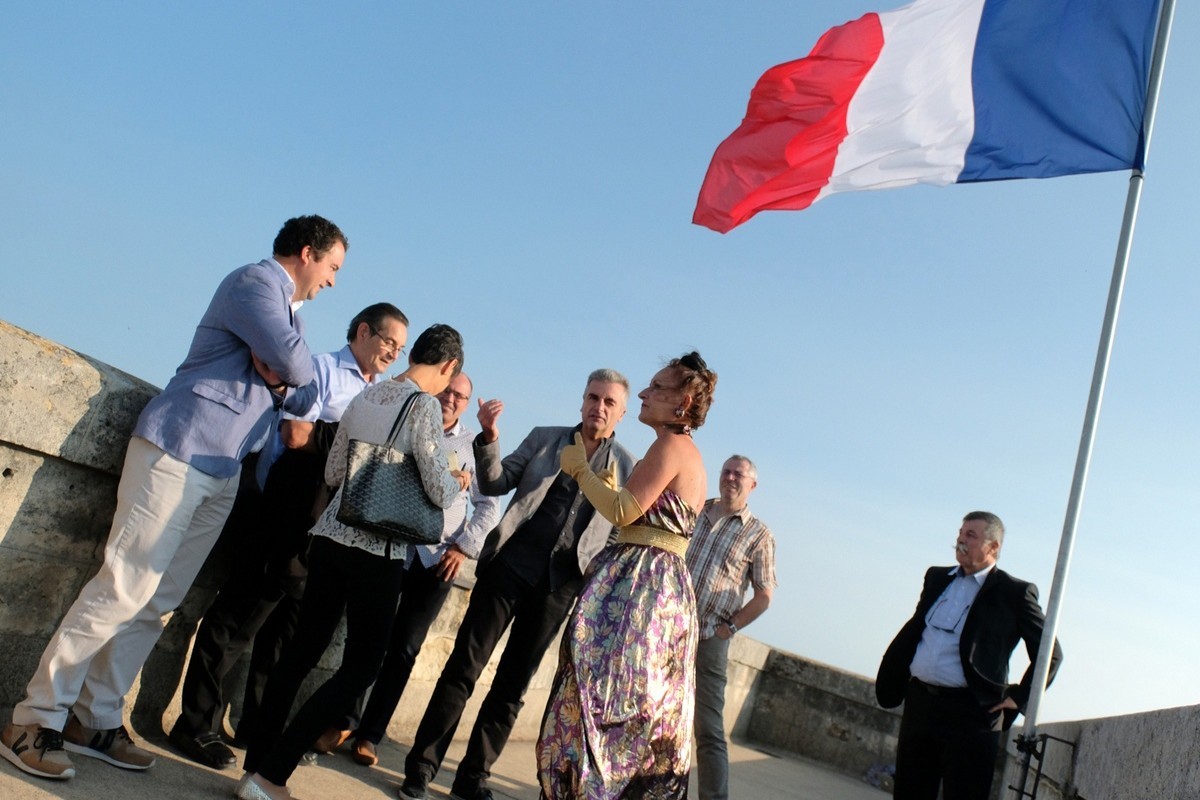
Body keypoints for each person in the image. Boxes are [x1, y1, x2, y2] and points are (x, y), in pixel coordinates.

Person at [0, 215, 345, 782]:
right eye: (332, 267)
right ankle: (32, 719)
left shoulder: (289, 316)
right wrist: (285, 369)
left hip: (224, 467)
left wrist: (284, 372)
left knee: (159, 603)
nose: (332, 281)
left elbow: (307, 388)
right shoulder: (255, 283)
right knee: (121, 588)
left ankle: (95, 719)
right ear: (307, 253)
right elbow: (297, 367)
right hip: (179, 448)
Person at [169, 303, 408, 769]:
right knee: (237, 620)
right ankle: (194, 723)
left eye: (400, 349)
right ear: (363, 332)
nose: (392, 355)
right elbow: (296, 434)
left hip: (322, 531)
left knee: (281, 639)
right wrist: (359, 439)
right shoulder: (321, 369)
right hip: (283, 511)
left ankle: (257, 727)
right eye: (388, 343)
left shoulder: (375, 391)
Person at [238, 324, 470, 800]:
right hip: (377, 551)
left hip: (329, 539)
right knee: (361, 669)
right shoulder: (422, 406)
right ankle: (271, 777)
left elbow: (334, 470)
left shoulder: (370, 395)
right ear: (449, 368)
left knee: (298, 655)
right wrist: (460, 479)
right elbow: (436, 488)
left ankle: (254, 768)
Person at [399, 369, 637, 800]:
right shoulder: (546, 438)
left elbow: (618, 532)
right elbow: (495, 482)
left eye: (607, 402)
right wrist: (489, 437)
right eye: (592, 397)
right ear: (581, 400)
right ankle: (421, 768)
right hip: (509, 569)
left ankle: (472, 779)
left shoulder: (626, 467)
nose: (597, 407)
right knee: (462, 671)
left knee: (512, 688)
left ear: (620, 414)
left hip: (559, 588)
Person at [539, 352, 718, 799]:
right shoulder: (684, 450)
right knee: (637, 706)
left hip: (642, 589)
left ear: (683, 402)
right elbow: (640, 515)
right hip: (660, 586)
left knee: (607, 701)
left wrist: (581, 468)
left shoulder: (670, 447)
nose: (643, 393)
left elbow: (621, 512)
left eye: (657, 387)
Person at [312, 371, 501, 766]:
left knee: (405, 649)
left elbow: (488, 506)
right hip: (393, 545)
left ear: (467, 403)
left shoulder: (471, 445)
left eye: (460, 396)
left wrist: (464, 549)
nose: (451, 399)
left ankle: (371, 734)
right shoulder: (420, 418)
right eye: (447, 390)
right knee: (366, 638)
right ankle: (344, 720)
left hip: (438, 559)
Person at [875, 511, 1064, 800]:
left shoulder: (1014, 592)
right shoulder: (937, 577)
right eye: (960, 534)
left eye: (971, 535)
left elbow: (1049, 653)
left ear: (993, 547)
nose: (961, 540)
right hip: (921, 706)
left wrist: (1020, 697)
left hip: (971, 715)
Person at [686, 455, 777, 800]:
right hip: (668, 628)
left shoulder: (759, 535)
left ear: (752, 485)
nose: (730, 478)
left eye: (739, 474)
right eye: (726, 471)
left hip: (710, 638)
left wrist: (730, 628)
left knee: (708, 730)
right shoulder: (695, 508)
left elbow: (764, 595)